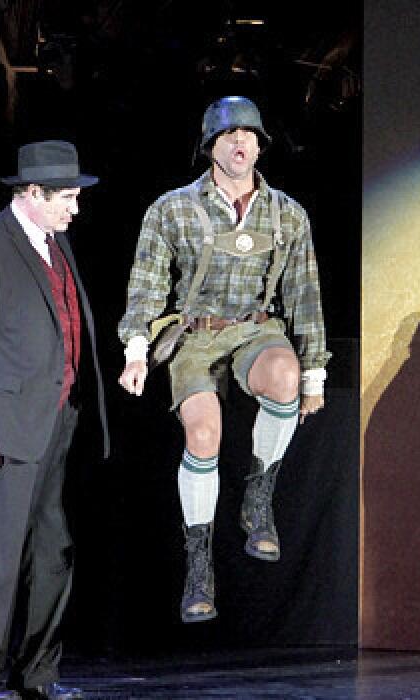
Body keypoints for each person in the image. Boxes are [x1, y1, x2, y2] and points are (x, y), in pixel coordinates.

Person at [117, 96, 329, 623]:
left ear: (261, 145)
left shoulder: (287, 214)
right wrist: (137, 350)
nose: (240, 144)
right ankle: (199, 561)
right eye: (228, 135)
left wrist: (314, 373)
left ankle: (259, 498)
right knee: (203, 435)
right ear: (210, 147)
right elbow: (146, 287)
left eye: (249, 135)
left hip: (257, 331)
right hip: (196, 335)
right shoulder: (172, 209)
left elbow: (304, 294)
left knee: (283, 376)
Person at [0, 141, 108, 700]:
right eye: (66, 197)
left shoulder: (55, 245)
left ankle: (39, 673)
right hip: (4, 431)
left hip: (56, 422)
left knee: (52, 551)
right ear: (32, 194)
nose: (75, 208)